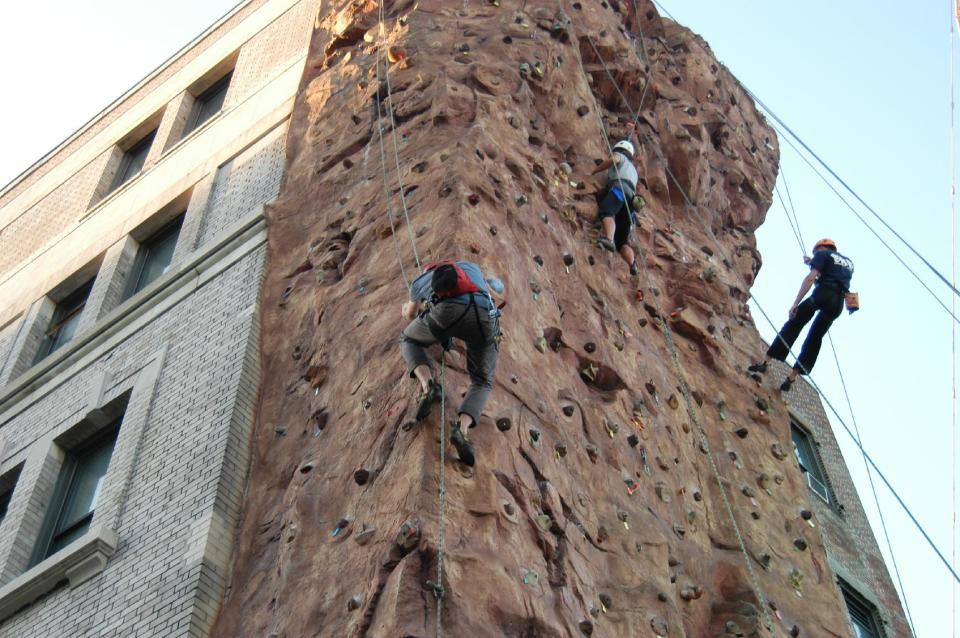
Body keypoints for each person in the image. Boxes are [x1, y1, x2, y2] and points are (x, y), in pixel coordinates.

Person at [400, 260, 502, 466]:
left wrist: (407, 311)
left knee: (408, 339)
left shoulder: (421, 282)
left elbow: (410, 315)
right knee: (482, 381)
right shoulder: (471, 268)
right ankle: (461, 430)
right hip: (485, 318)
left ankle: (429, 386)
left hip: (447, 316)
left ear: (429, 270)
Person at [748, 238, 854, 391]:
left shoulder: (822, 255)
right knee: (815, 338)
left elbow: (811, 278)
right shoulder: (848, 263)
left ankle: (765, 362)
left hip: (822, 294)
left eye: (815, 252)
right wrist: (813, 261)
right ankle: (791, 379)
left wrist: (795, 303)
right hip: (837, 305)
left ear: (822, 247)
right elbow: (833, 270)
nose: (815, 254)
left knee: (794, 324)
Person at [590, 123, 641, 276]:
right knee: (623, 243)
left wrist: (595, 170)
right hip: (630, 202)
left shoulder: (622, 157)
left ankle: (608, 239)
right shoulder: (634, 170)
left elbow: (613, 160)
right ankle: (632, 264)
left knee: (607, 212)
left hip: (620, 190)